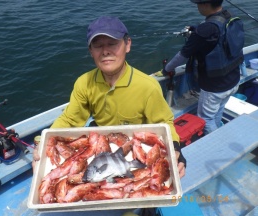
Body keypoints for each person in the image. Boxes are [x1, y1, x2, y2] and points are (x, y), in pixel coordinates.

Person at [33, 16, 186, 177]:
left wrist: (175, 148)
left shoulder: (148, 86)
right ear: (90, 51)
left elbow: (164, 123)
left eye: (112, 44)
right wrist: (44, 142)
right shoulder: (84, 83)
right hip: (101, 151)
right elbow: (70, 120)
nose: (105, 51)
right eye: (98, 46)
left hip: (136, 148)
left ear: (127, 45)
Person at [159, 0, 244, 135]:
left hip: (215, 87)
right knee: (218, 110)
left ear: (205, 5)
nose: (197, 7)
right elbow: (214, 30)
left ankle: (216, 141)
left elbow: (182, 55)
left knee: (205, 119)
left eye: (198, 4)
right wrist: (196, 28)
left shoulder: (205, 30)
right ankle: (218, 130)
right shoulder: (229, 15)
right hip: (233, 79)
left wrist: (166, 69)